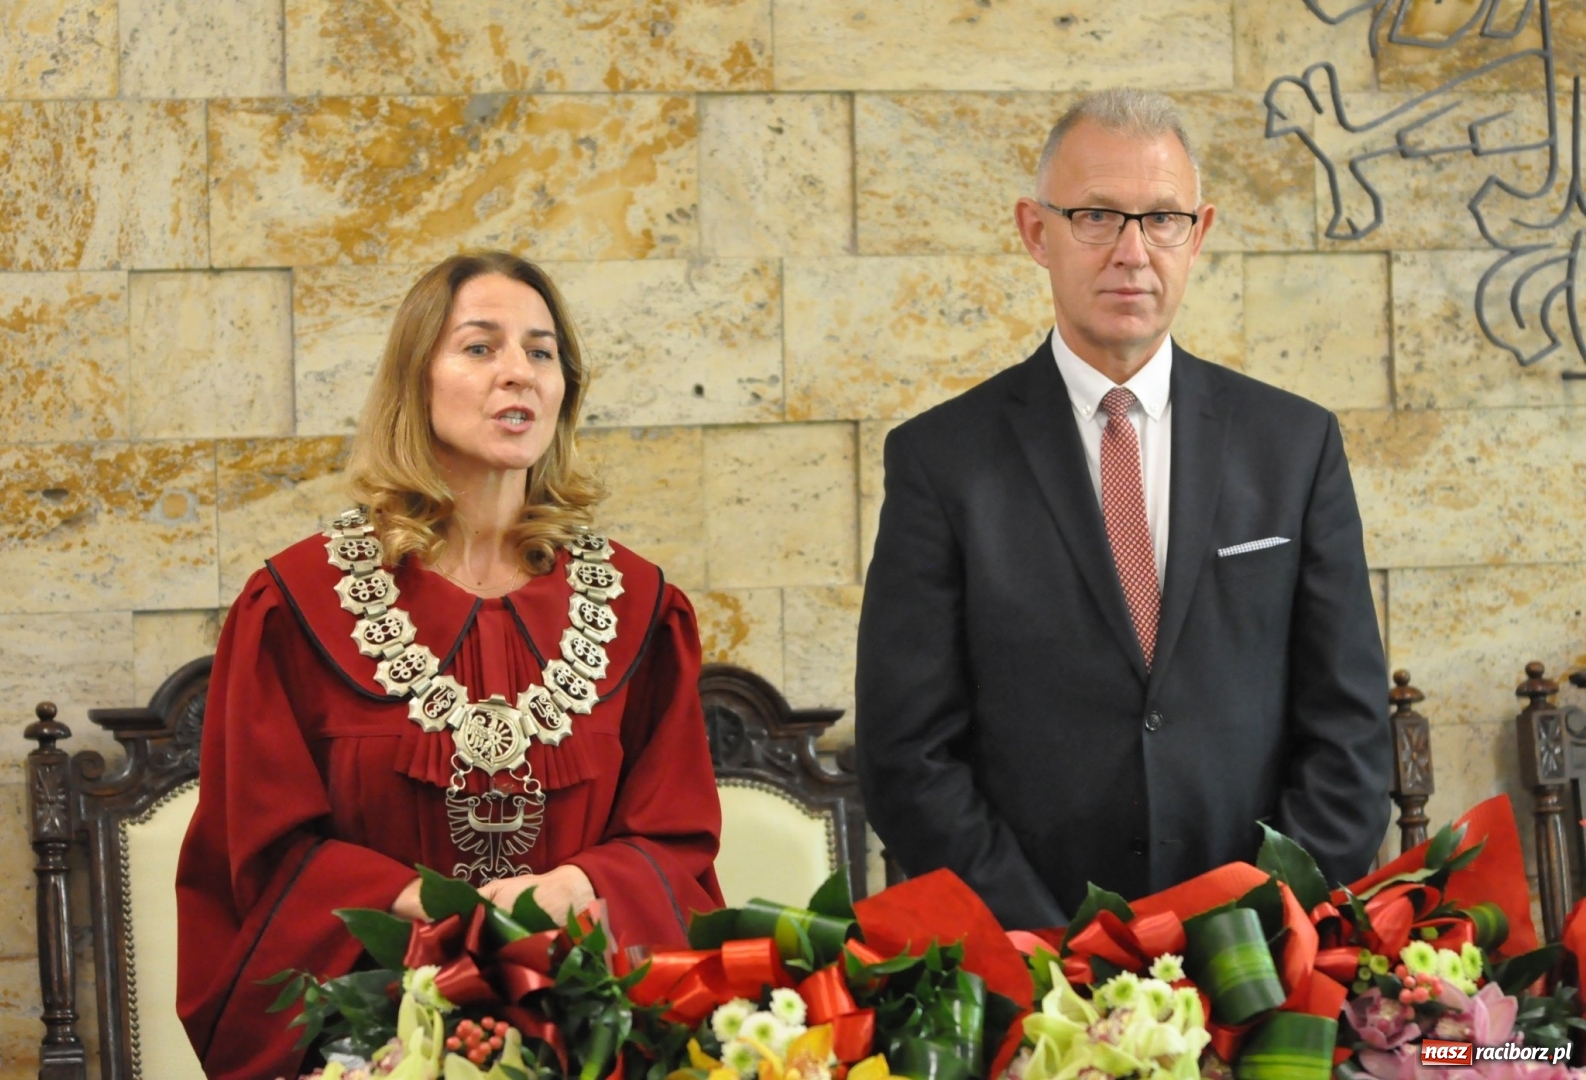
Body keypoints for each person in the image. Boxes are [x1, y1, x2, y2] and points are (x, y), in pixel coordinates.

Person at [177, 251, 724, 1079]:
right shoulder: (294, 606)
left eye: (541, 352)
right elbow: (254, 853)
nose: (519, 373)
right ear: (416, 379)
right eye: (480, 347)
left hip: (587, 1043)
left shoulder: (641, 609)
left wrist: (578, 884)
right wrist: (431, 910)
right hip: (369, 1048)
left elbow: (676, 841)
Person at [855, 89, 1391, 931]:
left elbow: (1350, 728)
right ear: (1037, 232)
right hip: (1038, 958)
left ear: (1198, 233)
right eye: (1096, 216)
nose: (1132, 252)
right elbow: (906, 752)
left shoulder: (1294, 445)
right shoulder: (941, 460)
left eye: (1162, 219)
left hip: (1265, 956)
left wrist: (1256, 935)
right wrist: (1050, 948)